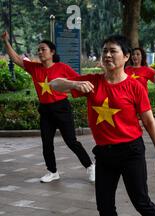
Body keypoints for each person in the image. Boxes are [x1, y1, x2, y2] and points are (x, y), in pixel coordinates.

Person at [49, 35, 155, 216]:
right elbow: (53, 84)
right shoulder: (92, 82)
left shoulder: (134, 86)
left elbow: (150, 123)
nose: (107, 55)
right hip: (104, 153)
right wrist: (73, 84)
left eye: (113, 51)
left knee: (140, 200)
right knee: (104, 203)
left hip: (131, 151)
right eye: (105, 51)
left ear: (126, 56)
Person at [1, 31, 95, 183]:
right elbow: (17, 59)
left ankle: (90, 166)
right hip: (45, 110)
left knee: (71, 141)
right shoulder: (34, 68)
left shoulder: (62, 68)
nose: (39, 52)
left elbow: (79, 82)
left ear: (52, 52)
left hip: (61, 108)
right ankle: (52, 171)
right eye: (38, 50)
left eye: (43, 49)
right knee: (47, 143)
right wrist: (6, 42)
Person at [125, 47, 155, 158]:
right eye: (133, 54)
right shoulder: (126, 70)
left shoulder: (146, 70)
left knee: (150, 126)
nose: (135, 56)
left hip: (142, 103)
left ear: (142, 57)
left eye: (138, 54)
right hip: (128, 104)